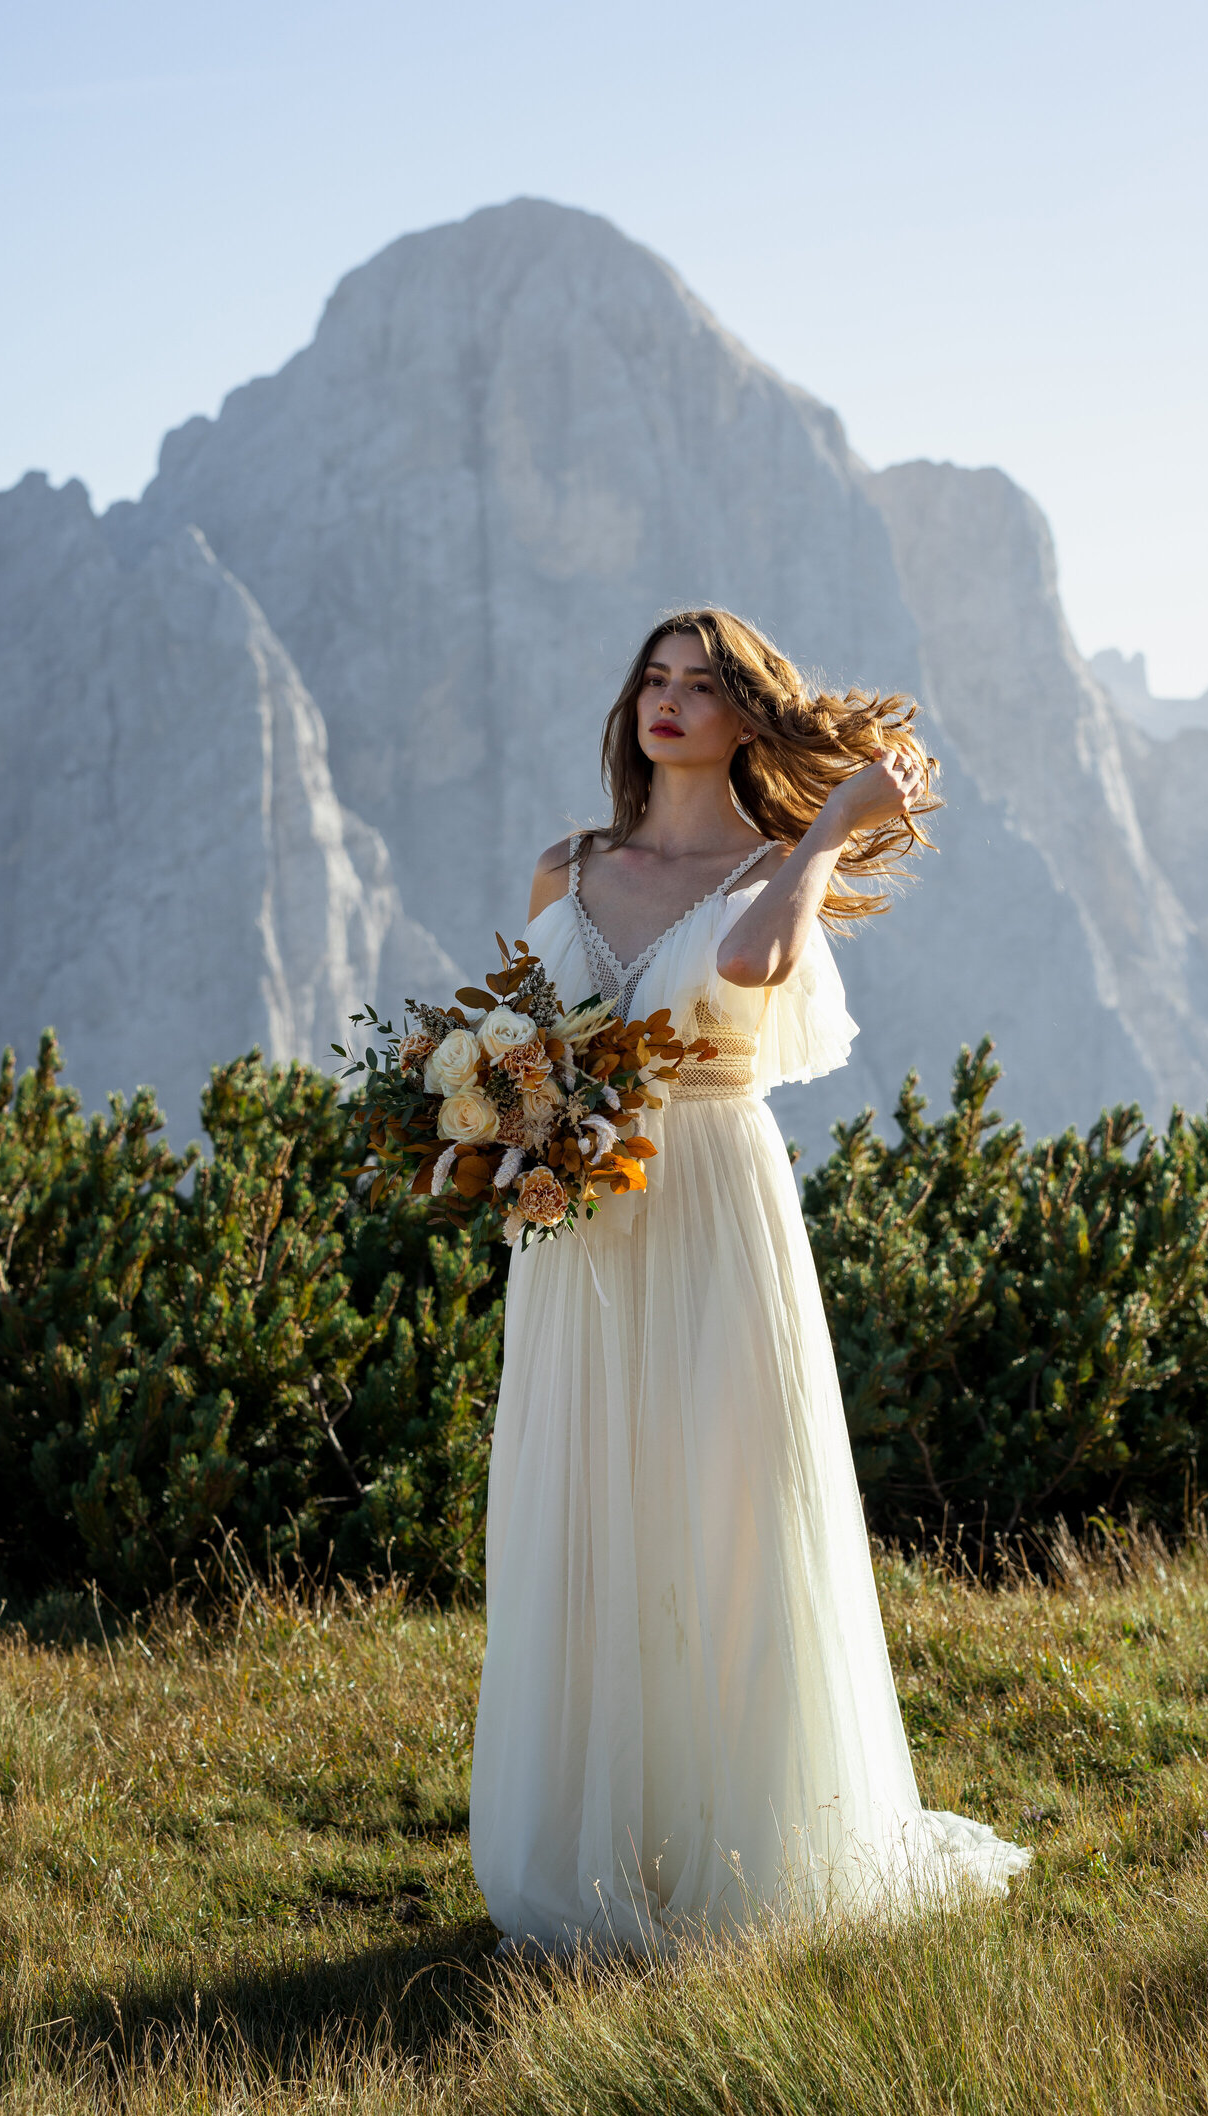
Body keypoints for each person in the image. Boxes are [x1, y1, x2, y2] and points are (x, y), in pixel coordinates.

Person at [469, 609, 1028, 1951]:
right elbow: (531, 1032)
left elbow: (750, 967)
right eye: (652, 680)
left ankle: (751, 1850)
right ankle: (596, 1850)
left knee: (726, 1506)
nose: (668, 702)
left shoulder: (774, 868)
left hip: (712, 1194)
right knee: (589, 1503)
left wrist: (831, 828)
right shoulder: (569, 865)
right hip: (584, 1215)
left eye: (702, 685)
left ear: (744, 714)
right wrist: (497, 1126)